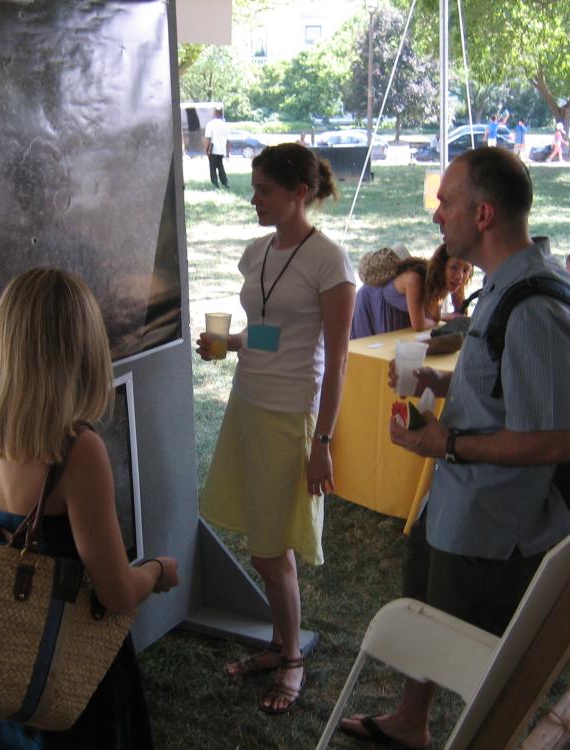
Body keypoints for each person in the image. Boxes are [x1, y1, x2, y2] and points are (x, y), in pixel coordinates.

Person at [339, 147, 570, 748]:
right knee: (428, 616)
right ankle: (410, 720)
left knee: (480, 667)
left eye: (445, 203)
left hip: (493, 530)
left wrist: (446, 441)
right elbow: (511, 383)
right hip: (459, 508)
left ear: (482, 214)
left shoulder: (534, 305)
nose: (436, 217)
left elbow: (558, 437)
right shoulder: (507, 287)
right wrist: (446, 384)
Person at [0, 268, 180, 749]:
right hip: (60, 676)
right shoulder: (74, 450)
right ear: (81, 348)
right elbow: (115, 592)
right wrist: (157, 571)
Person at [197, 143, 354, 714]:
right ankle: (281, 644)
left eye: (264, 189)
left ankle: (292, 660)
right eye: (255, 187)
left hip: (292, 416)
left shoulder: (329, 262)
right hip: (249, 404)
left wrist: (323, 444)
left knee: (271, 550)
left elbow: (335, 359)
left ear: (300, 194)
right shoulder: (257, 252)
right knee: (262, 539)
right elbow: (271, 332)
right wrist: (229, 344)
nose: (254, 198)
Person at [350, 247, 436, 338]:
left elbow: (427, 316)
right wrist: (435, 321)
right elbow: (420, 324)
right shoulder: (413, 279)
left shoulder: (408, 279)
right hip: (365, 311)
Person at [424, 242, 473, 321]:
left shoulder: (456, 281)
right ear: (441, 267)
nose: (459, 276)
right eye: (454, 267)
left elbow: (462, 313)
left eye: (465, 270)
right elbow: (431, 317)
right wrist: (441, 317)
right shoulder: (427, 282)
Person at [203, 108, 230, 189]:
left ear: (215, 113)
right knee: (220, 166)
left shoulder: (211, 124)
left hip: (213, 149)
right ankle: (225, 183)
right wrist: (228, 152)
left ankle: (215, 184)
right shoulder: (225, 125)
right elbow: (228, 141)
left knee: (212, 167)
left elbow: (208, 138)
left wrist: (206, 149)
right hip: (221, 150)